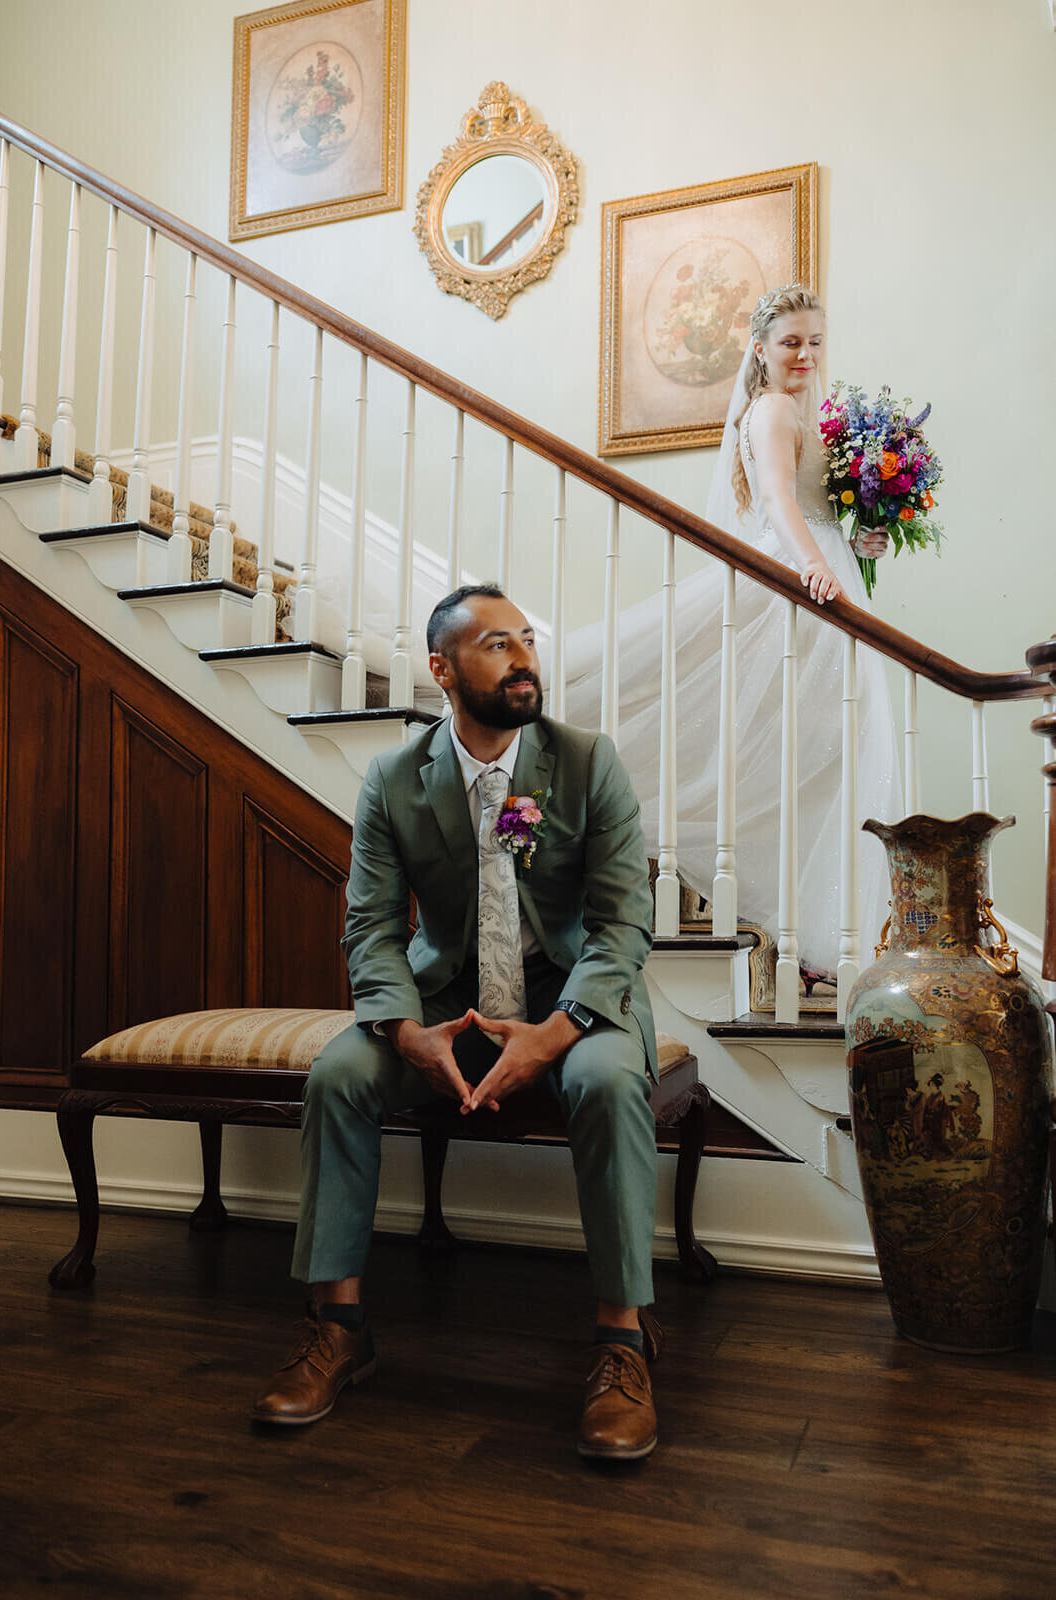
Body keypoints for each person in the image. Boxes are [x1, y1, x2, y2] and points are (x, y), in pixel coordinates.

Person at [253, 583, 663, 1462]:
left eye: (527, 639)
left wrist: (557, 1031)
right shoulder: (396, 778)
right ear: (441, 668)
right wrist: (403, 1030)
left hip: (573, 1000)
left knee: (606, 1081)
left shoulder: (588, 762)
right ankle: (338, 1327)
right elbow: (370, 925)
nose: (521, 658)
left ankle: (622, 1344)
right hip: (443, 1003)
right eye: (495, 644)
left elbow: (625, 923)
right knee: (337, 1075)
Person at [567, 284, 901, 978]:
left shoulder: (804, 413)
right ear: (760, 348)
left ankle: (810, 929)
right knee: (810, 745)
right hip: (799, 575)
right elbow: (778, 499)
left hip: (821, 565)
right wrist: (814, 567)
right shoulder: (774, 407)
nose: (804, 353)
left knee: (819, 748)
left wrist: (861, 537)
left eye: (814, 340)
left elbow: (809, 502)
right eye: (789, 342)